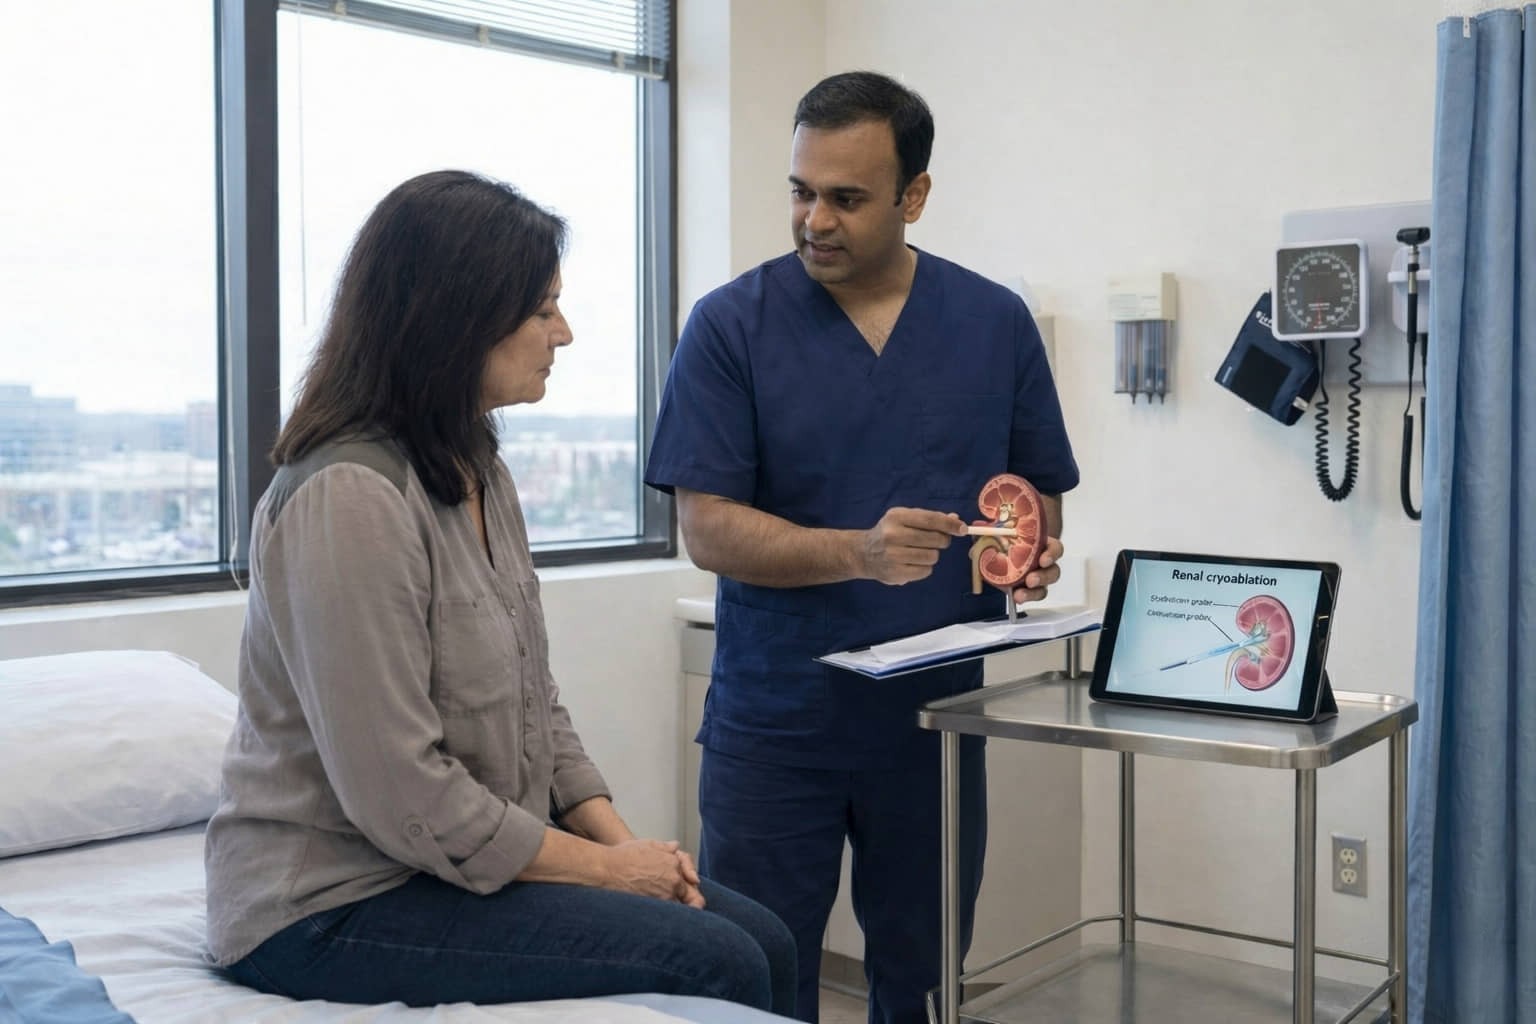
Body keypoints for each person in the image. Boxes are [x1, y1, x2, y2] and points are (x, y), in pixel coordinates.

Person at [204, 169, 796, 1016]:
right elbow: (399, 792)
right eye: (543, 308)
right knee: (719, 963)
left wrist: (635, 857)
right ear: (458, 320)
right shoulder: (349, 498)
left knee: (763, 938)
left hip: (447, 872)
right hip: (332, 902)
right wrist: (602, 872)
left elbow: (533, 703)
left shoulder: (477, 467)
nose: (565, 331)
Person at [643, 73, 1079, 1024]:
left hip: (932, 724)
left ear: (913, 196)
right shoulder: (730, 327)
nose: (815, 220)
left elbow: (1034, 492)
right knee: (757, 978)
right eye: (801, 191)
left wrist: (1030, 549)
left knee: (924, 985)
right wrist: (860, 553)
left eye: (846, 197)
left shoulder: (992, 324)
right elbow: (708, 526)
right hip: (777, 725)